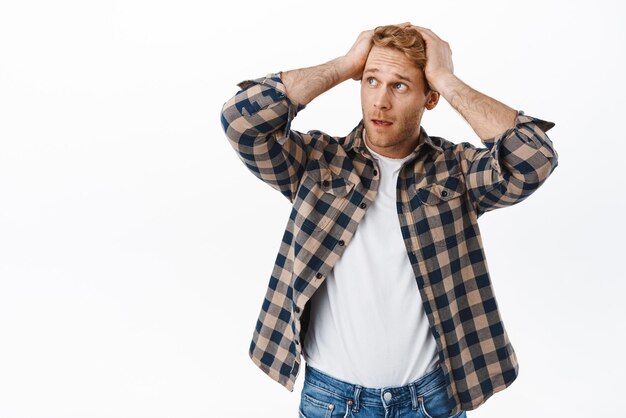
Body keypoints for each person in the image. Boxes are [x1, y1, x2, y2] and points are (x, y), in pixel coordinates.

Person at [220, 23, 558, 418]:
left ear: (429, 98)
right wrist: (344, 65)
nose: (380, 101)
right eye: (371, 81)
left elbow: (534, 159)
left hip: (432, 399)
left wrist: (447, 80)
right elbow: (241, 123)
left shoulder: (456, 171)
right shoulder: (316, 161)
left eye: (399, 86)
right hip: (331, 400)